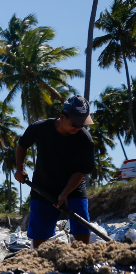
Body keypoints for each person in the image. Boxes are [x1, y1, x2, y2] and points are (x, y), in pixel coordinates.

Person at [15, 95, 95, 248]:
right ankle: (39, 261)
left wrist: (65, 193)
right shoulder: (39, 128)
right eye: (75, 124)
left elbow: (80, 172)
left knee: (81, 223)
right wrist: (20, 169)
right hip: (43, 185)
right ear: (62, 117)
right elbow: (22, 145)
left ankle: (83, 256)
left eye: (82, 124)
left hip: (73, 187)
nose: (79, 128)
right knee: (40, 233)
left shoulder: (85, 140)